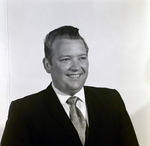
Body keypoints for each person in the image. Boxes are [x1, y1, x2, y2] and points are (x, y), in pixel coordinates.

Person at [1, 26, 139, 146]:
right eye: (66, 59)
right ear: (47, 65)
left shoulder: (112, 100)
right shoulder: (24, 112)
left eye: (82, 58)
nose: (76, 67)